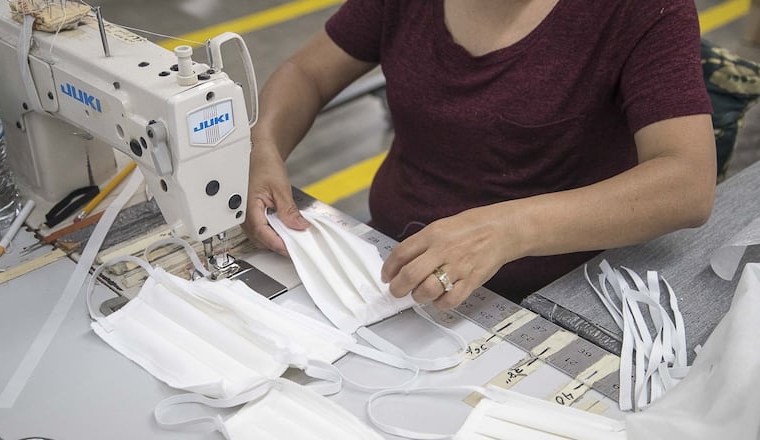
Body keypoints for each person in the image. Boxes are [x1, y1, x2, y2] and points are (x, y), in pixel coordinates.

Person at [242, 0, 716, 309]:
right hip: (390, 256)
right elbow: (308, 72)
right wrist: (262, 144)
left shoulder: (642, 10)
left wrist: (509, 228)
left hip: (550, 290)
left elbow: (686, 182)